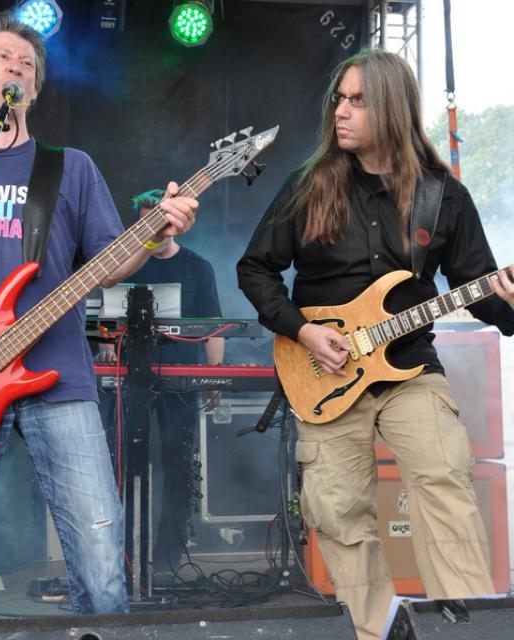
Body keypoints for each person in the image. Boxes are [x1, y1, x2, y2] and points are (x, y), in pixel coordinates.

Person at [0, 11, 198, 640]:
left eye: (27, 63)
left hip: (60, 378)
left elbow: (110, 265)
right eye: (3, 57)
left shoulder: (70, 168)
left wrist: (155, 237)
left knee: (100, 551)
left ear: (37, 89)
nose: (16, 66)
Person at [236, 49, 514, 640]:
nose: (340, 110)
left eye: (357, 101)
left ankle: (470, 624)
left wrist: (509, 298)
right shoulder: (307, 186)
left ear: (390, 107)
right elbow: (256, 268)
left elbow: (480, 291)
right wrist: (303, 329)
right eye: (339, 98)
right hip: (324, 372)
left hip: (410, 368)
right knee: (338, 511)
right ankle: (383, 626)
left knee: (444, 473)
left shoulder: (443, 196)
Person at [97, 188, 223, 572]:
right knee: (121, 462)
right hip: (128, 379)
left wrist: (215, 375)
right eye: (147, 222)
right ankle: (121, 558)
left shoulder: (198, 267)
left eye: (161, 221)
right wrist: (106, 347)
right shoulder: (124, 265)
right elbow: (104, 319)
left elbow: (214, 327)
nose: (155, 230)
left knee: (179, 463)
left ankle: (168, 560)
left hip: (181, 379)